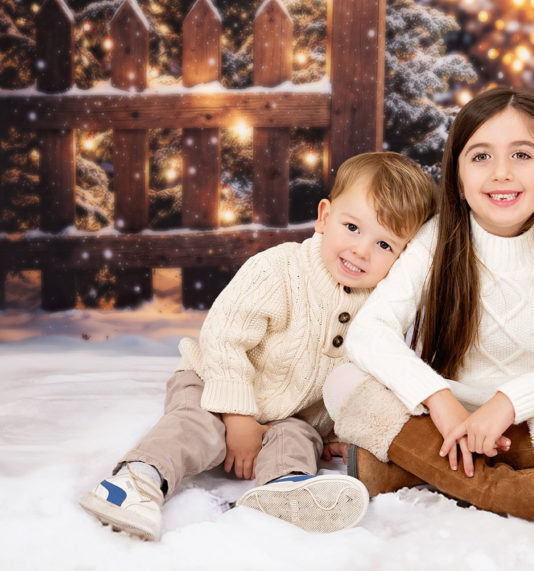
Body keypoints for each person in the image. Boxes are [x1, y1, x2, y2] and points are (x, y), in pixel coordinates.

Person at [79, 152, 437, 540]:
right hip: (213, 383)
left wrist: (336, 432)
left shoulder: (380, 310)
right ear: (324, 217)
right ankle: (135, 481)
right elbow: (223, 338)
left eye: (385, 245)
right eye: (352, 227)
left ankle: (284, 489)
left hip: (290, 414)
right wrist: (237, 417)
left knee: (300, 440)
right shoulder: (279, 270)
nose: (361, 250)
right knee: (196, 427)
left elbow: (357, 377)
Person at [322, 87, 534, 529]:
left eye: (522, 156)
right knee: (344, 383)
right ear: (458, 176)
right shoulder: (439, 238)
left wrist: (508, 403)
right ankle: (513, 491)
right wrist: (440, 400)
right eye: (481, 156)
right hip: (445, 413)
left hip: (530, 418)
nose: (501, 173)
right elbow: (371, 331)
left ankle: (409, 465)